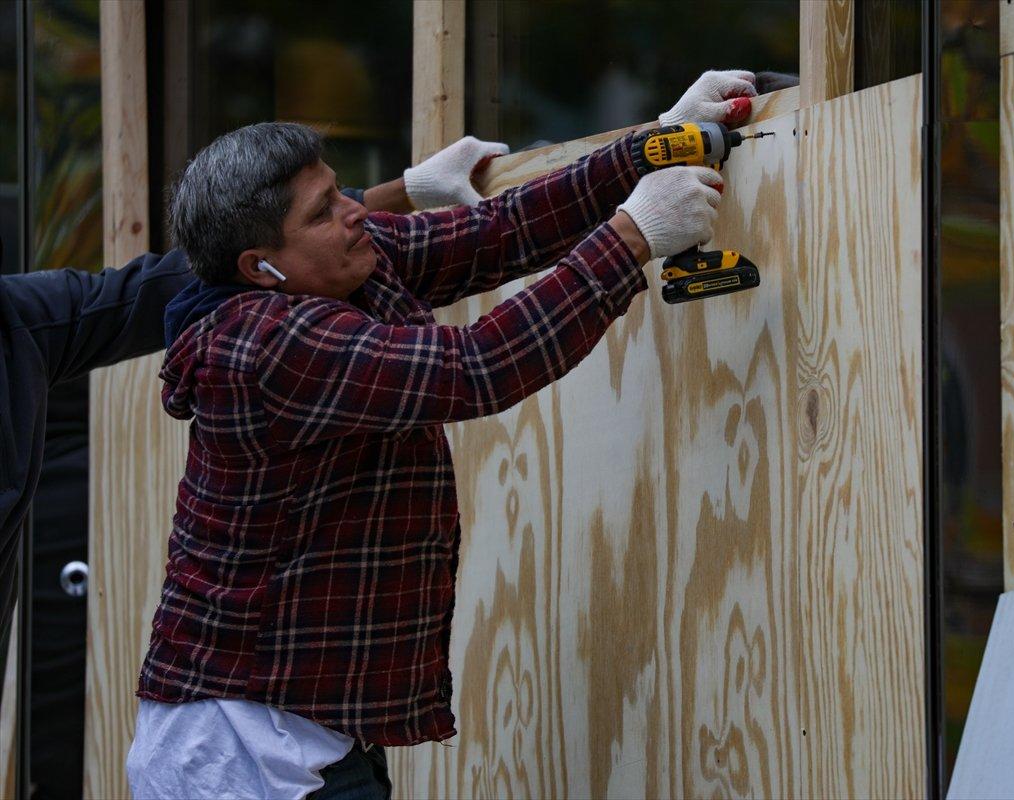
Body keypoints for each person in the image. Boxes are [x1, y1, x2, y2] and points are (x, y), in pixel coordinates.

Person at [123, 70, 758, 799]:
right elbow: (475, 368)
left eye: (338, 190)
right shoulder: (262, 345)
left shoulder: (338, 268)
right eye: (323, 211)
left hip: (307, 730)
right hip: (235, 755)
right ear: (257, 267)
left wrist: (645, 151)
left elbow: (496, 232)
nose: (355, 211)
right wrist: (632, 235)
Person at [0, 133, 511, 796]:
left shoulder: (15, 321)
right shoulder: (264, 354)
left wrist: (398, 194)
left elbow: (182, 277)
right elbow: (475, 369)